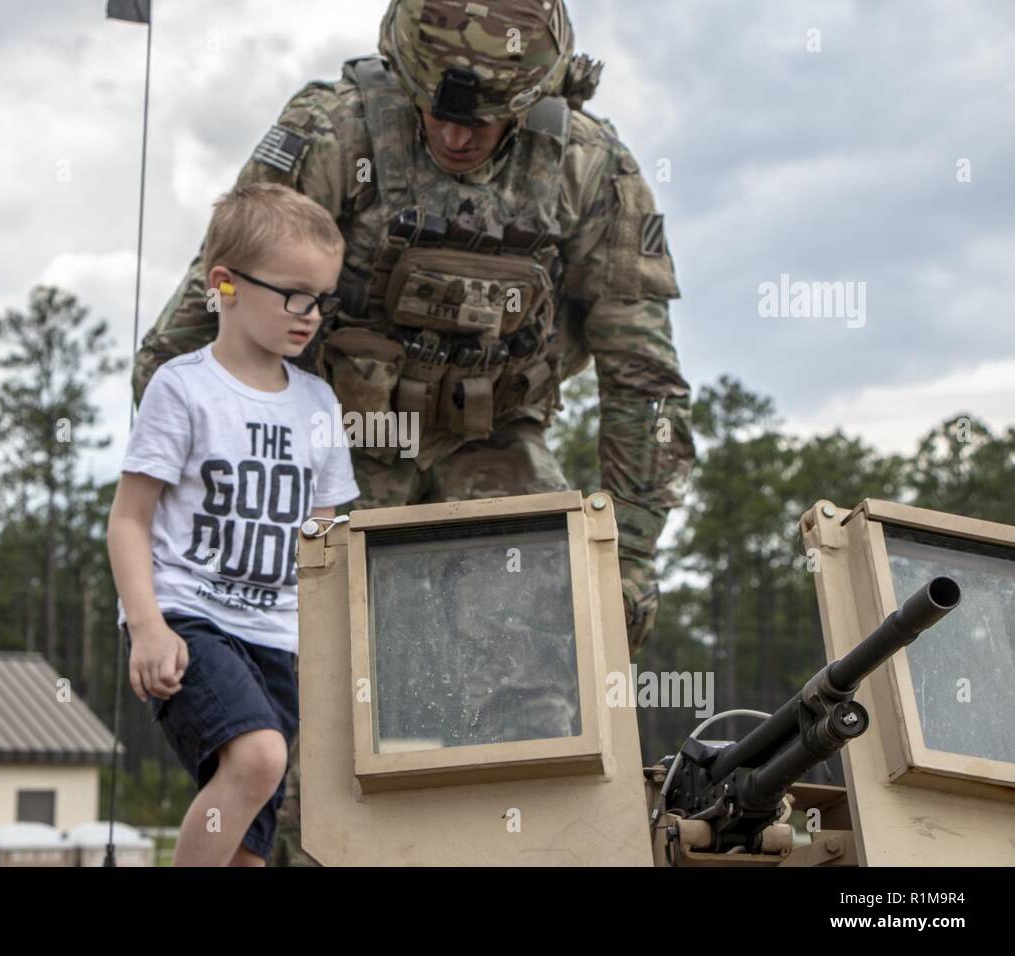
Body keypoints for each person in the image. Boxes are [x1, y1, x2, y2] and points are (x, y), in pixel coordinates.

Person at [132, 0, 697, 864]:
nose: (458, 135)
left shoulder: (590, 169)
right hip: (331, 450)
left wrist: (631, 559)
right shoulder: (335, 134)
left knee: (551, 686)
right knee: (310, 722)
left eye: (484, 119)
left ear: (541, 95)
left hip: (493, 444)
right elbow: (189, 338)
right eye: (437, 108)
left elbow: (645, 383)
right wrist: (195, 525)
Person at [106, 182, 360, 866]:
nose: (310, 315)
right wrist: (148, 626)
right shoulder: (183, 388)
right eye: (293, 294)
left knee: (249, 844)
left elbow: (323, 545)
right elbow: (129, 520)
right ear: (225, 284)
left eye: (322, 299)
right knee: (258, 756)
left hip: (279, 641)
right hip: (191, 621)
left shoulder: (318, 405)